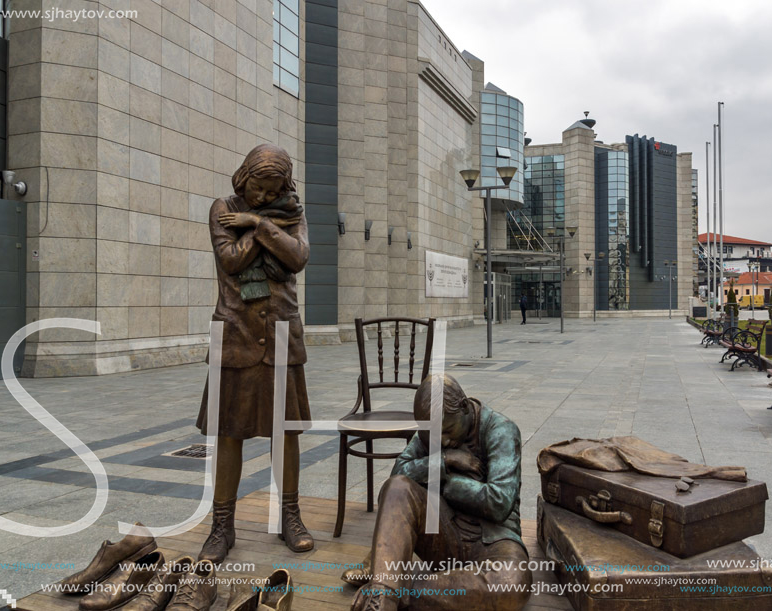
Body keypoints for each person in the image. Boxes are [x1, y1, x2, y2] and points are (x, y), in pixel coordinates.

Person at [195, 144, 313, 563]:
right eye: (258, 188)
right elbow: (229, 260)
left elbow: (297, 257)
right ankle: (221, 526)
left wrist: (258, 222)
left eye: (272, 190)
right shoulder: (222, 208)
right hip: (236, 333)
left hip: (282, 333)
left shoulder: (294, 212)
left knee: (288, 430)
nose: (263, 196)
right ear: (243, 177)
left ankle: (290, 518)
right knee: (229, 432)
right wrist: (262, 229)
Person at [344, 374, 531, 611]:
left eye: (448, 430)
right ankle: (381, 600)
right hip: (444, 534)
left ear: (464, 407)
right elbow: (398, 473)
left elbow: (498, 503)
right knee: (399, 487)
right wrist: (443, 460)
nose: (442, 441)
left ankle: (395, 586)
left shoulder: (501, 430)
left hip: (494, 542)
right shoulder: (433, 429)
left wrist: (445, 483)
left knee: (510, 584)